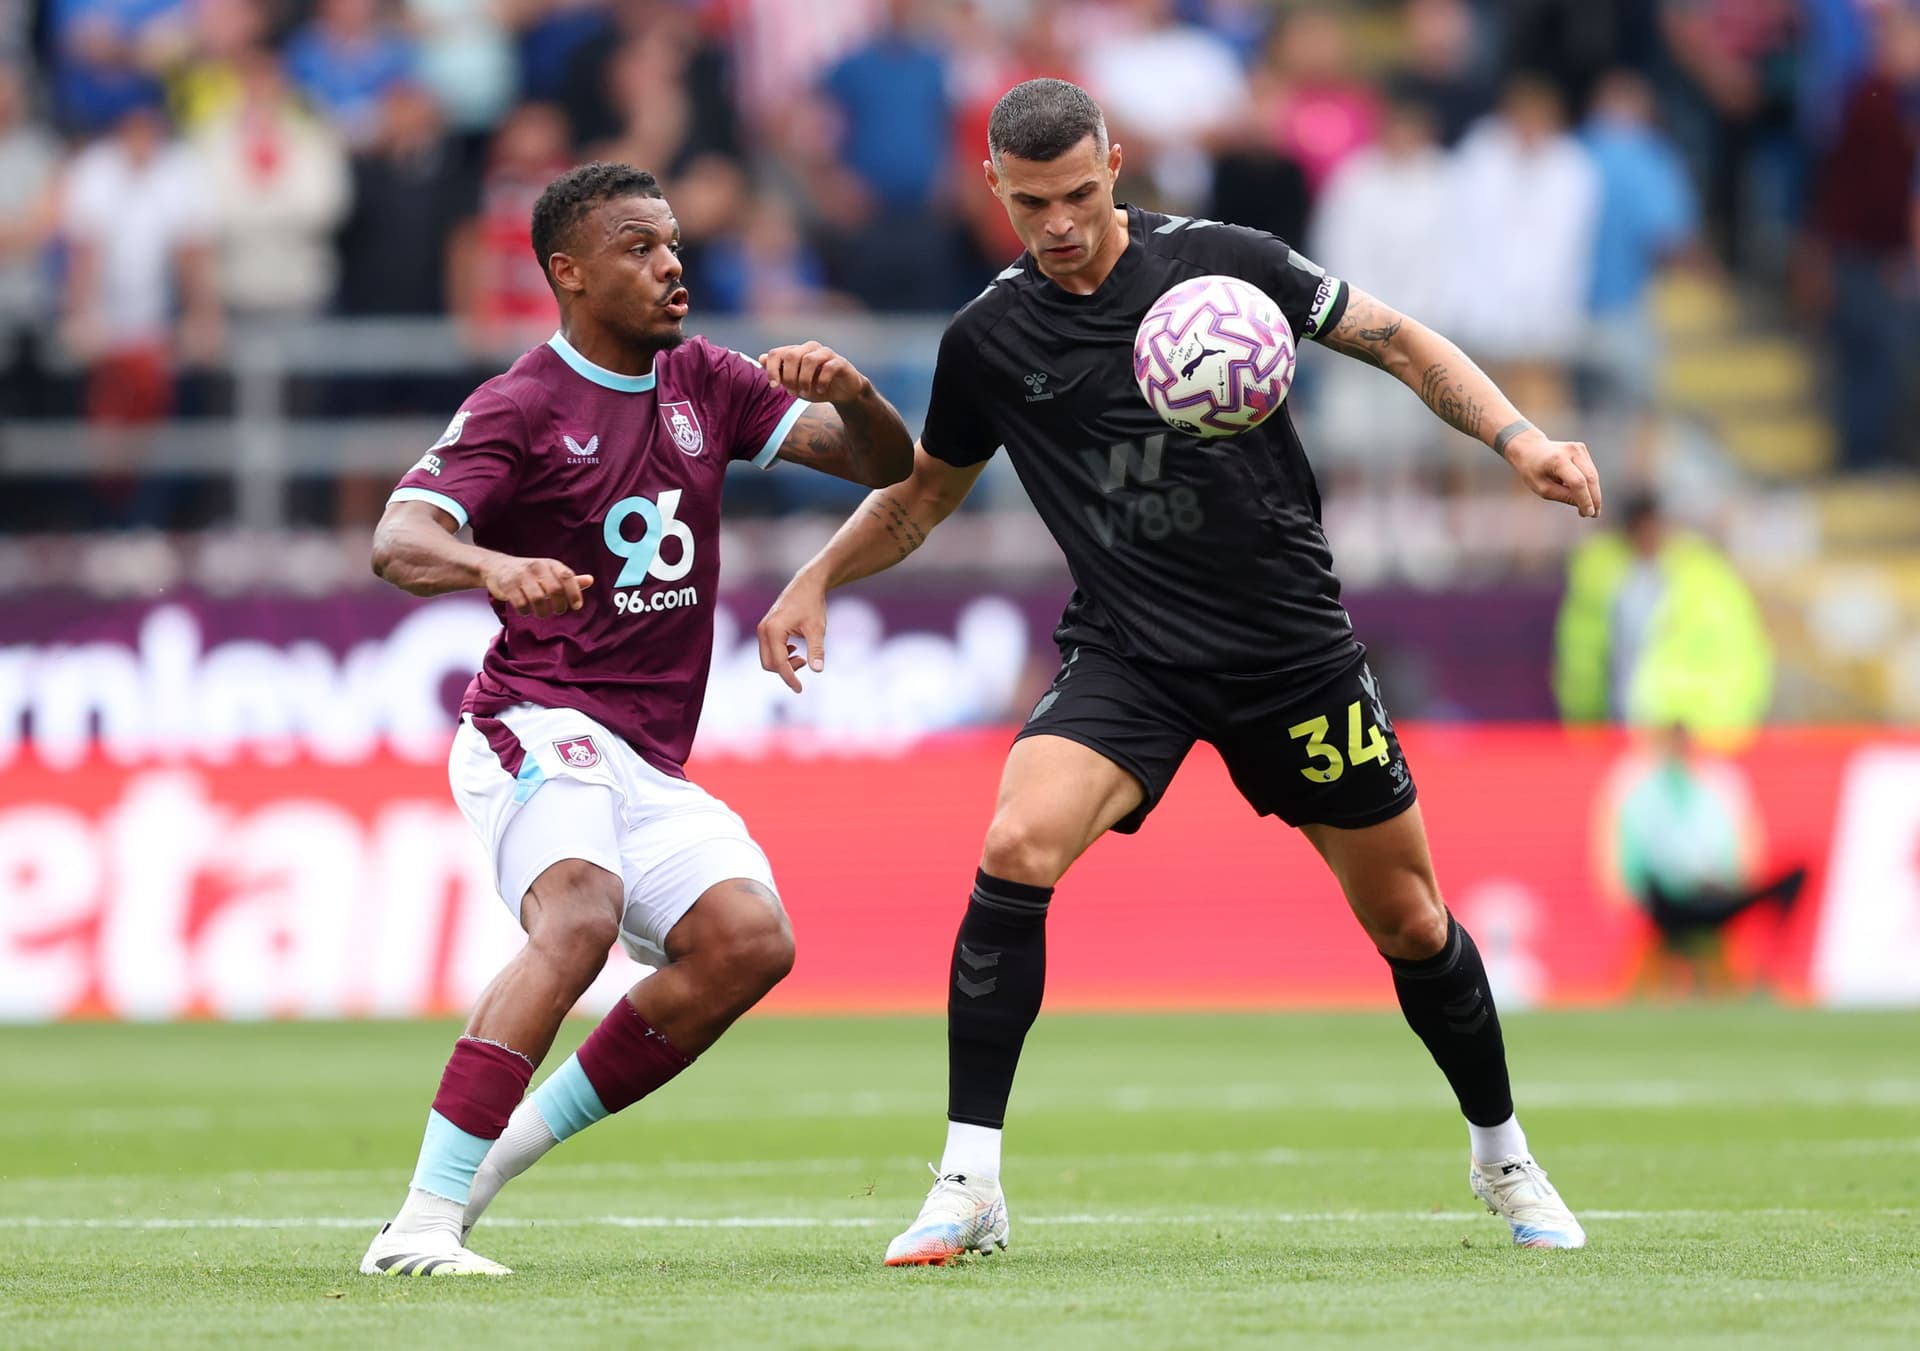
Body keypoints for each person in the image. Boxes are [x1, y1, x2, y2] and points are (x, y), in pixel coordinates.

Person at [758, 78, 1601, 1265]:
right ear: (994, 187)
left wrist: (1521, 438)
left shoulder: (1222, 268)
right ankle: (968, 1180)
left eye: (1080, 194)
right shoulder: (988, 338)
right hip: (1131, 652)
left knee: (1409, 918)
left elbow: (1396, 338)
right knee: (1015, 846)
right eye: (1031, 202)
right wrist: (818, 578)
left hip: (1289, 650)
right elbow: (922, 498)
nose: (1057, 223)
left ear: (1115, 164)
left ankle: (1503, 1155)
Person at [362, 160, 914, 1276]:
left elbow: (889, 466)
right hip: (532, 717)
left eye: (671, 242)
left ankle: (494, 1160)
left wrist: (853, 391)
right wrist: (492, 563)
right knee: (578, 918)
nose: (671, 264)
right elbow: (398, 539)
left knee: (750, 943)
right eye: (638, 246)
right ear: (567, 273)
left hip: (646, 756)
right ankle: (418, 1224)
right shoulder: (520, 404)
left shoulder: (706, 380)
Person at [1553, 488, 1771, 736]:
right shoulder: (1601, 576)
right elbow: (1582, 659)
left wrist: (1715, 724)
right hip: (1621, 723)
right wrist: (1586, 720)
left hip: (1685, 731)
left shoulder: (1701, 576)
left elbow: (1735, 654)